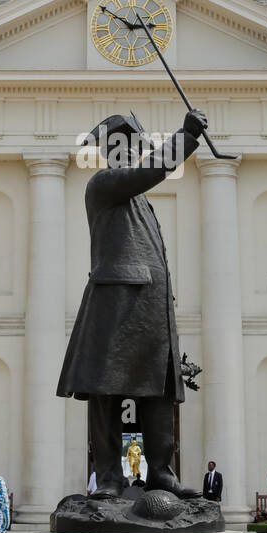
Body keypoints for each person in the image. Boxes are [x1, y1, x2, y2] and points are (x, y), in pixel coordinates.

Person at [57, 110, 206, 500]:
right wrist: (186, 137)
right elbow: (149, 172)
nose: (136, 151)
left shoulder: (141, 202)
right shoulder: (104, 184)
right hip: (116, 304)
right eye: (129, 144)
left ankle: (161, 474)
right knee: (106, 393)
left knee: (158, 392)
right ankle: (108, 476)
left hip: (152, 309)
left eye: (139, 145)